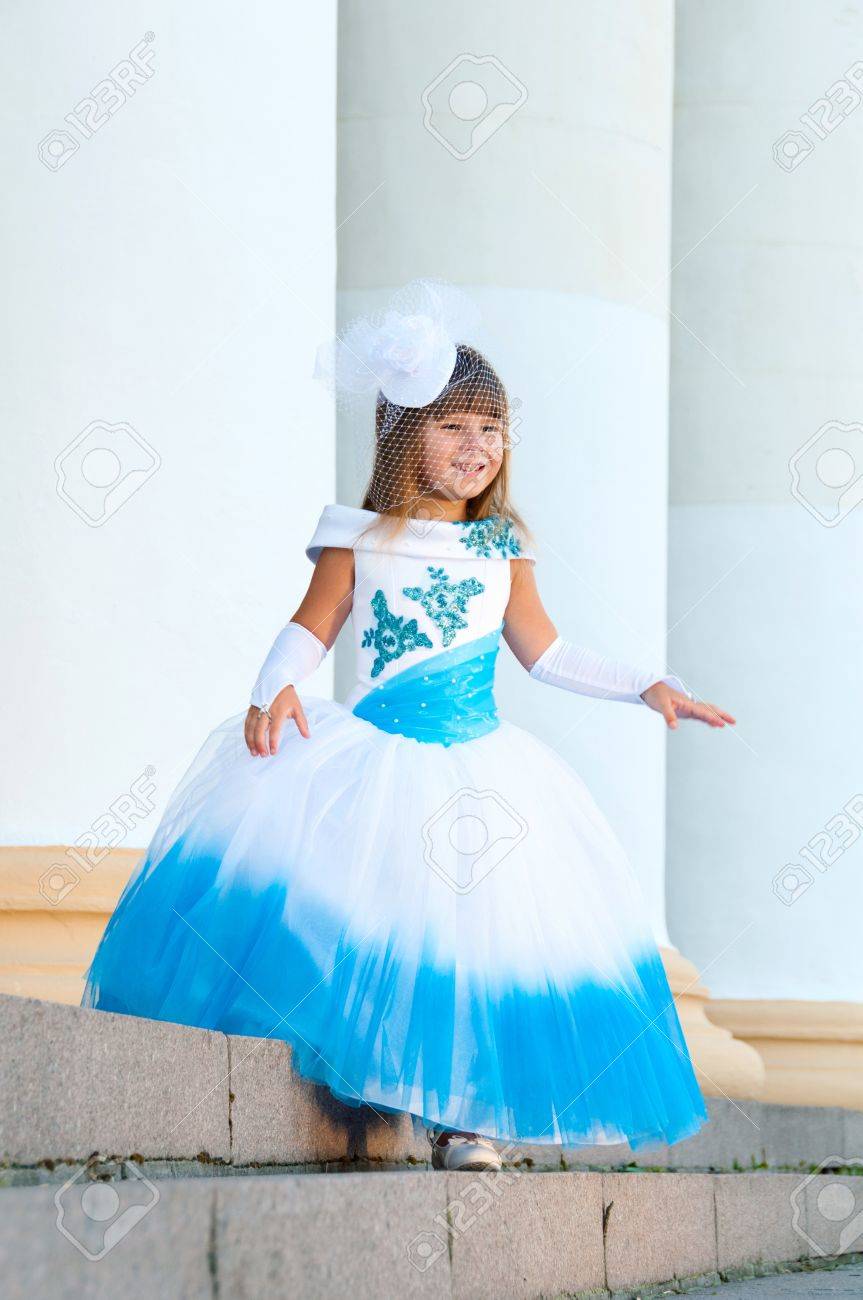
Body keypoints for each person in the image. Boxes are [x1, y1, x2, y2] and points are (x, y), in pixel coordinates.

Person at [84, 282, 734, 1173]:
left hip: (481, 762)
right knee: (379, 918)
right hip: (374, 756)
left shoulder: (503, 547)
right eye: (452, 425)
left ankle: (463, 1118)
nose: (477, 447)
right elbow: (309, 629)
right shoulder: (361, 536)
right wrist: (272, 686)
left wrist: (646, 685)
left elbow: (546, 654)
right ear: (400, 433)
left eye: (491, 429)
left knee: (474, 932)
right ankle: (368, 1073)